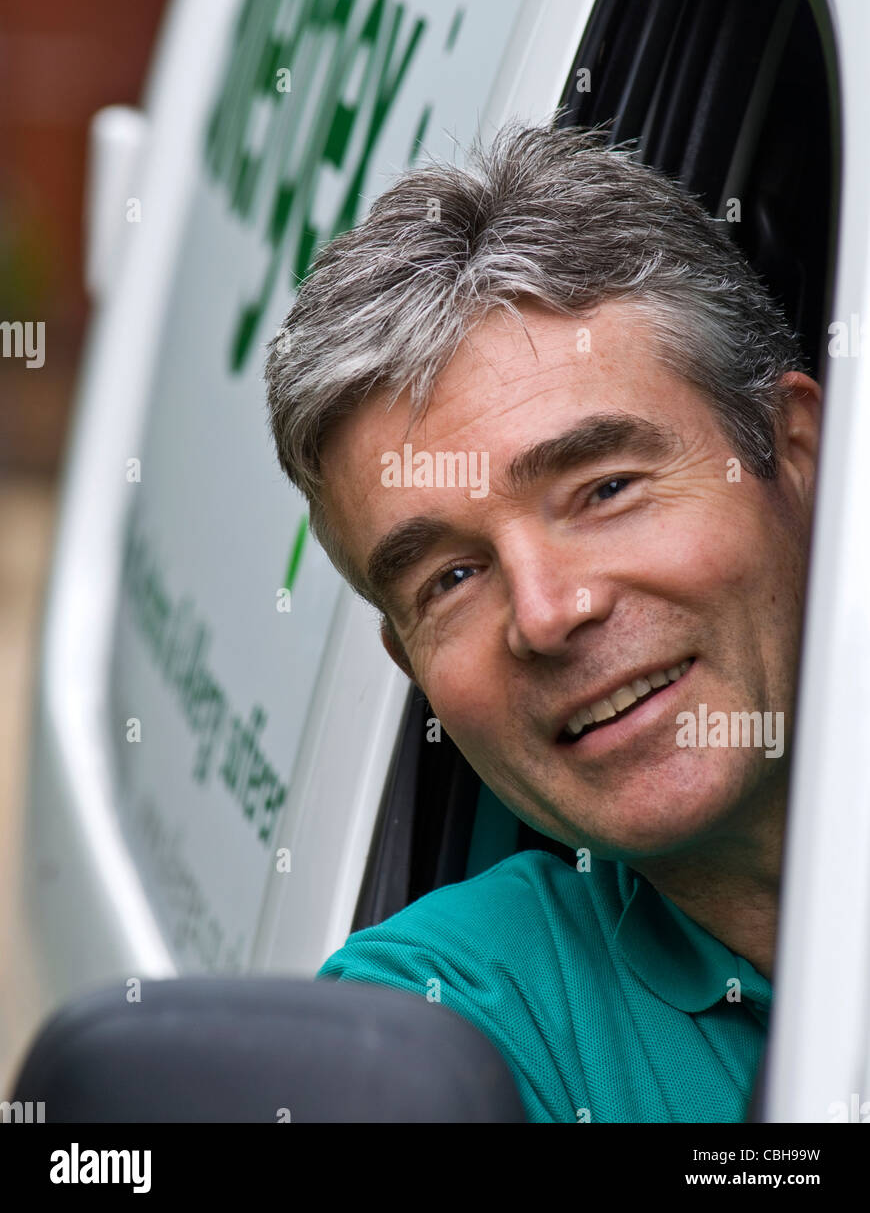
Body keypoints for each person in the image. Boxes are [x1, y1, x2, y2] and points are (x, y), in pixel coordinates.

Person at [263, 117, 820, 1123]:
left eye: (605, 488)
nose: (550, 611)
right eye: (450, 577)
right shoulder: (445, 1017)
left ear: (797, 453)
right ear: (411, 661)